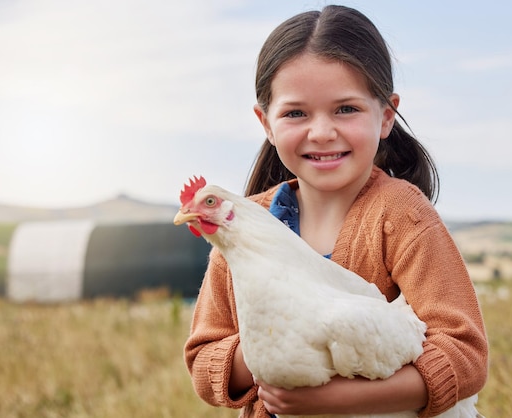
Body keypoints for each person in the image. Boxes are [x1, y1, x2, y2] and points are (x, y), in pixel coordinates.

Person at [184, 5, 488, 417]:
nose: (322, 132)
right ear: (266, 123)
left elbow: (464, 353)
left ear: (386, 115)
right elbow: (204, 361)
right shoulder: (238, 230)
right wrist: (270, 346)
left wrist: (338, 398)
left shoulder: (401, 217)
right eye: (295, 113)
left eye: (345, 109)